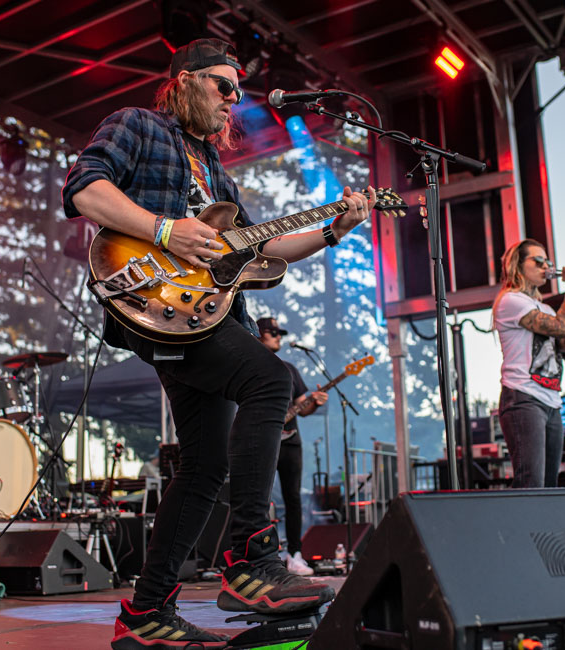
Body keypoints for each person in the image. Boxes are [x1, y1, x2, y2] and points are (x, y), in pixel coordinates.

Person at [61, 38, 376, 650]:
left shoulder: (214, 167)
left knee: (204, 465)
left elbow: (261, 248)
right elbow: (83, 188)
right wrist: (163, 229)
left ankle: (146, 614)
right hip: (153, 296)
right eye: (221, 84)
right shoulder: (139, 126)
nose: (234, 98)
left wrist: (334, 230)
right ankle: (250, 560)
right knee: (269, 379)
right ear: (182, 81)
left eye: (238, 89)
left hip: (200, 316)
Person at [492, 239, 565, 488]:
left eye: (548, 262)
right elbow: (563, 326)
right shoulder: (511, 300)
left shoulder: (543, 307)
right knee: (531, 481)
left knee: (549, 484)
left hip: (551, 401)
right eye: (538, 261)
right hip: (523, 397)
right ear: (518, 265)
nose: (546, 266)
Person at [255, 317, 327, 577]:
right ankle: (261, 555)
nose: (279, 338)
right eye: (274, 333)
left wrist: (315, 402)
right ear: (260, 333)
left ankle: (295, 553)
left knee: (293, 498)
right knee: (259, 499)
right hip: (264, 440)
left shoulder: (289, 369)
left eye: (279, 333)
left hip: (291, 442)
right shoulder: (251, 365)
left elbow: (303, 408)